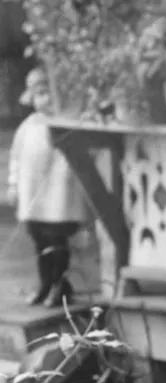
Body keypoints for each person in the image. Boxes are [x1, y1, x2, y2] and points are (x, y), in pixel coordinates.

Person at [6, 67, 90, 307]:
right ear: (32, 99)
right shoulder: (27, 126)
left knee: (56, 240)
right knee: (40, 240)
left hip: (58, 196)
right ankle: (45, 284)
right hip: (33, 194)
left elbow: (74, 158)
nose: (45, 100)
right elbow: (16, 157)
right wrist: (14, 185)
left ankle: (59, 285)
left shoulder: (63, 125)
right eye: (39, 94)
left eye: (48, 93)